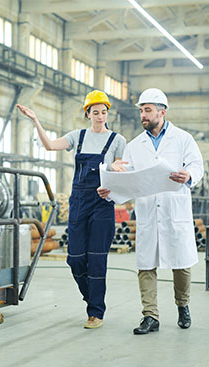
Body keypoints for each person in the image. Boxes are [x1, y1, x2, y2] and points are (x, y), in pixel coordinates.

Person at [16, 90, 126, 329]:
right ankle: (91, 298)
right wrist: (36, 120)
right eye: (95, 112)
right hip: (78, 201)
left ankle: (96, 312)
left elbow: (123, 172)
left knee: (97, 260)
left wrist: (116, 173)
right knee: (75, 258)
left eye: (104, 112)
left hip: (102, 203)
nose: (100, 116)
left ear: (108, 114)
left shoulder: (118, 140)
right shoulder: (78, 136)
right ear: (87, 114)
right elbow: (49, 146)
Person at [99, 88, 204, 335]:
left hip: (173, 208)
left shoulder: (183, 139)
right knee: (146, 265)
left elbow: (196, 165)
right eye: (141, 111)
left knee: (182, 263)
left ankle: (183, 305)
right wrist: (111, 188)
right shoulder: (136, 145)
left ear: (162, 112)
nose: (143, 116)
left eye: (147, 111)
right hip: (147, 212)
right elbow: (128, 179)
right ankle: (150, 316)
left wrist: (189, 175)